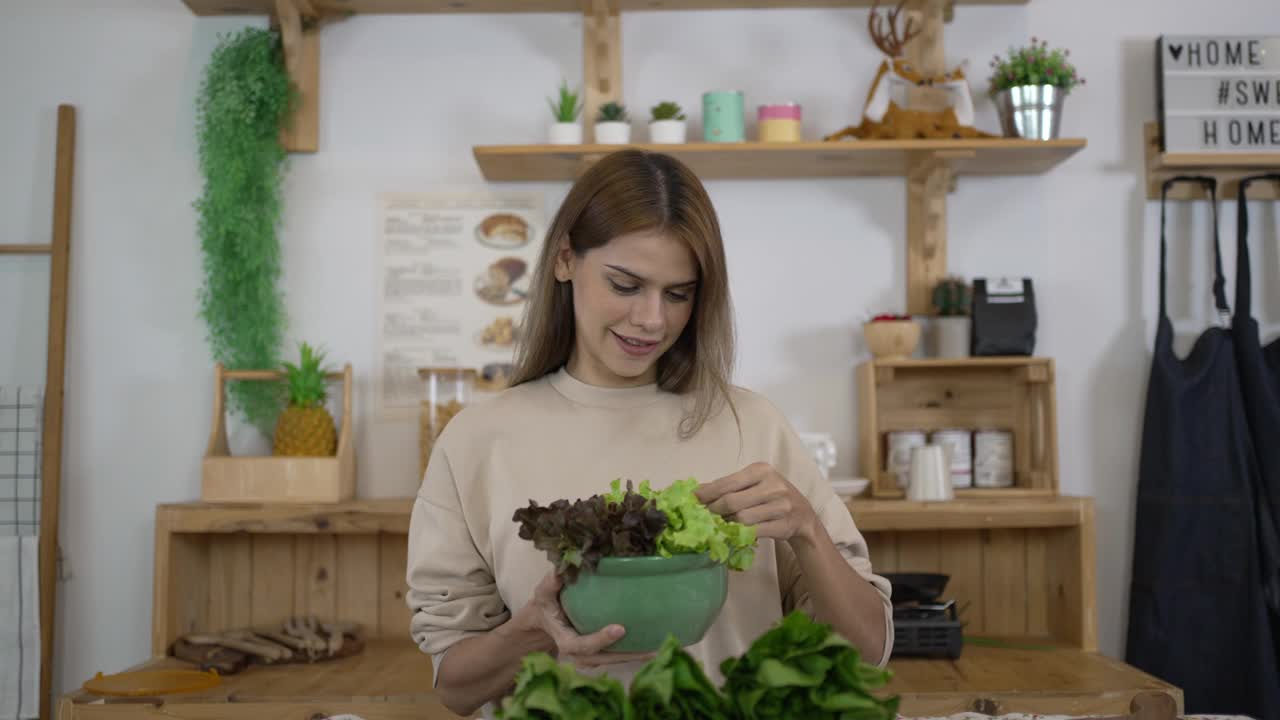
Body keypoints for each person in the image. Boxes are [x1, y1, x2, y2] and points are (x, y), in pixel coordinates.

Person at [406, 149, 893, 717]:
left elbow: (869, 651)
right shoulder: (476, 440)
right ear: (565, 259)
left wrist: (808, 530)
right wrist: (534, 633)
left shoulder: (752, 424)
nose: (652, 319)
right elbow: (456, 685)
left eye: (678, 293)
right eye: (626, 284)